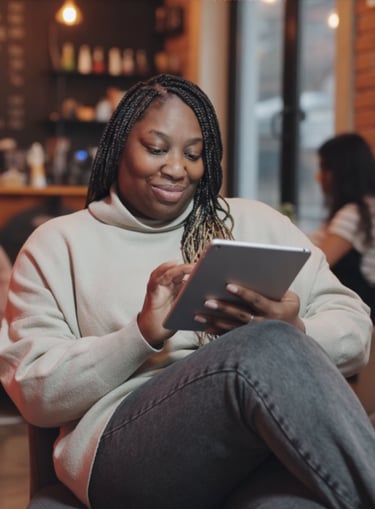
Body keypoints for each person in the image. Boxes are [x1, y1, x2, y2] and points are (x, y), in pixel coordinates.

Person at [0, 74, 374, 509]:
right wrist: (138, 336)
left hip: (251, 449)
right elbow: (33, 392)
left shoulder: (254, 223)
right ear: (119, 145)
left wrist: (298, 329)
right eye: (156, 148)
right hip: (123, 453)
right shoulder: (57, 243)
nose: (177, 168)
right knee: (263, 345)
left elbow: (356, 328)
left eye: (193, 154)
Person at [311, 132, 375, 323]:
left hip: (357, 313)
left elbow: (316, 264)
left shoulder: (354, 214)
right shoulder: (365, 208)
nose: (318, 177)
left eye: (323, 168)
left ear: (340, 171)